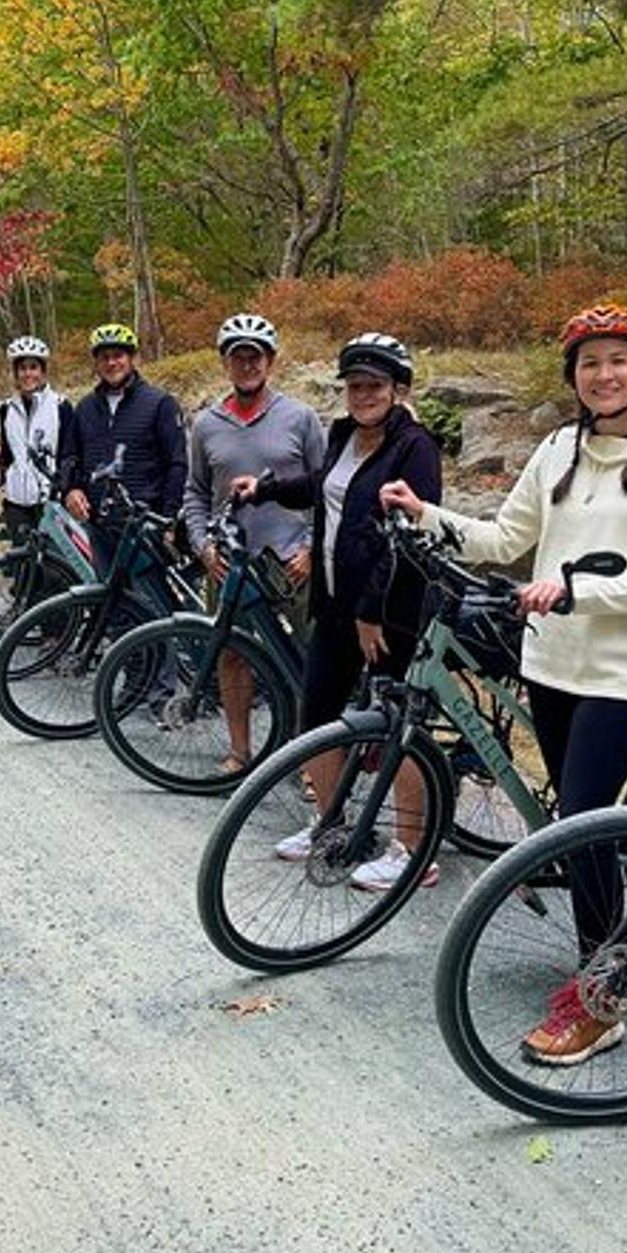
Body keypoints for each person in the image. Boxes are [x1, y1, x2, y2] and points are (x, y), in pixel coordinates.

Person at [380, 303, 627, 1065]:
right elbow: (506, 537)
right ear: (574, 377)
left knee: (585, 818)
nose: (604, 374)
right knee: (572, 814)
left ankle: (602, 996)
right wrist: (426, 511)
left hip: (624, 670)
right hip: (550, 661)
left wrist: (576, 593)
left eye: (618, 360)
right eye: (589, 363)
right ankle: (608, 943)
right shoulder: (559, 447)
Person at [233, 332, 443, 891]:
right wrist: (266, 488)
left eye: (374, 385)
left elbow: (406, 536)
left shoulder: (414, 446)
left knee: (398, 725)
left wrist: (372, 609)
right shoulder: (345, 434)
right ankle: (329, 823)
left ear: (397, 389)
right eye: (354, 386)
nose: (363, 395)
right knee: (318, 714)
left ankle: (414, 850)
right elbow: (322, 488)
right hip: (335, 602)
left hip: (389, 610)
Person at [178, 313, 326, 771]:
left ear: (271, 361)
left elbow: (328, 489)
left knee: (312, 662)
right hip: (231, 562)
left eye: (255, 356)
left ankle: (313, 764)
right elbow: (196, 492)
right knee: (232, 656)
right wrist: (203, 545)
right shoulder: (207, 424)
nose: (247, 365)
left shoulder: (300, 418)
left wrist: (312, 549)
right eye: (238, 356)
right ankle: (240, 751)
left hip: (291, 560)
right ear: (225, 362)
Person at [59, 323, 187, 572]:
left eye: (118, 355)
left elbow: (177, 464)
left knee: (151, 606)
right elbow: (70, 456)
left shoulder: (160, 404)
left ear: (131, 359)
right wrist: (71, 489)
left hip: (145, 529)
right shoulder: (84, 408)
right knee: (106, 605)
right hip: (98, 526)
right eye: (104, 357)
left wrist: (169, 519)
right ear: (96, 363)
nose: (111, 363)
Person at [0, 335, 70, 532]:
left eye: (33, 367)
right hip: (16, 500)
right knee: (19, 558)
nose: (28, 374)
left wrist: (63, 488)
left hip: (49, 500)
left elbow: (69, 453)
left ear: (43, 371)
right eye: (22, 368)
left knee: (51, 561)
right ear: (15, 372)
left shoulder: (60, 406)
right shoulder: (6, 409)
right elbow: (10, 456)